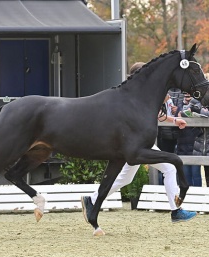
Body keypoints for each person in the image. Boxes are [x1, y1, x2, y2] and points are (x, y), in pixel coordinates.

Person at [81, 62, 197, 224]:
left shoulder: (139, 93)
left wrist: (174, 119)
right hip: (138, 143)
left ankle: (92, 200)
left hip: (137, 143)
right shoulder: (137, 94)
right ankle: (176, 210)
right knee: (169, 168)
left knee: (126, 178)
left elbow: (156, 114)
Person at [176, 94, 202, 187]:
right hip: (182, 143)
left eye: (189, 95)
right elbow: (176, 119)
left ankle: (198, 195)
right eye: (185, 95)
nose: (187, 97)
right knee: (185, 173)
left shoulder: (198, 105)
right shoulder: (180, 105)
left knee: (196, 174)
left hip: (195, 143)